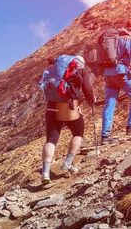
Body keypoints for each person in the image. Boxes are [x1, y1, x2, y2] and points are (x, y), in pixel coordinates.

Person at [39, 55, 95, 183]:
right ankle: (68, 163)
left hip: (51, 106)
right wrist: (91, 99)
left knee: (51, 140)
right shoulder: (81, 69)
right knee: (78, 133)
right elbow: (87, 88)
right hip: (68, 106)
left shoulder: (55, 68)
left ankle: (45, 173)